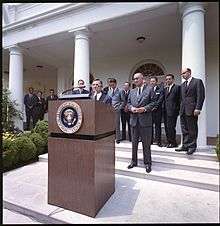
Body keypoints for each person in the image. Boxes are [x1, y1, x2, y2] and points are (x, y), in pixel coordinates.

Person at [127, 72, 155, 173]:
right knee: (134, 143)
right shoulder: (132, 91)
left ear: (142, 79)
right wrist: (131, 108)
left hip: (145, 121)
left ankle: (147, 163)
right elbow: (128, 103)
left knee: (146, 144)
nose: (135, 80)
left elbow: (154, 103)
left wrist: (144, 109)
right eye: (134, 79)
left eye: (137, 78)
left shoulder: (150, 89)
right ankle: (133, 161)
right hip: (134, 121)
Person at [175, 68, 205, 155]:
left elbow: (201, 95)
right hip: (183, 110)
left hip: (192, 110)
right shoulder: (183, 84)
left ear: (189, 72)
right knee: (184, 129)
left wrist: (198, 108)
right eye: (182, 74)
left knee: (192, 128)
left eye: (184, 73)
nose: (183, 75)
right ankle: (185, 145)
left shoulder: (197, 81)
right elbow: (181, 99)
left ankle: (192, 146)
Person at [163, 74, 181, 148]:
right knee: (166, 127)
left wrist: (177, 110)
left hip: (173, 111)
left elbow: (180, 99)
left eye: (169, 79)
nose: (168, 80)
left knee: (171, 127)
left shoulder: (177, 87)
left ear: (173, 79)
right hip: (165, 111)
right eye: (166, 79)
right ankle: (169, 141)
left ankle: (173, 143)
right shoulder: (165, 89)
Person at [108, 78, 126, 144]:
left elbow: (123, 101)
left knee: (117, 124)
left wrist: (119, 108)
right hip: (110, 110)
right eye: (110, 84)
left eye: (113, 83)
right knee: (110, 125)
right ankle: (112, 137)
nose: (111, 85)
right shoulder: (109, 91)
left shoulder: (121, 91)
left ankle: (118, 138)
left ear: (115, 83)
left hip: (117, 110)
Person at [150, 76, 165, 147]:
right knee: (150, 126)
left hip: (157, 111)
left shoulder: (160, 90)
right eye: (151, 81)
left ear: (156, 82)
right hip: (150, 111)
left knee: (157, 126)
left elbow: (160, 99)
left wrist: (155, 107)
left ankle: (158, 141)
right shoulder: (150, 90)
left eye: (153, 81)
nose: (152, 82)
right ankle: (150, 140)